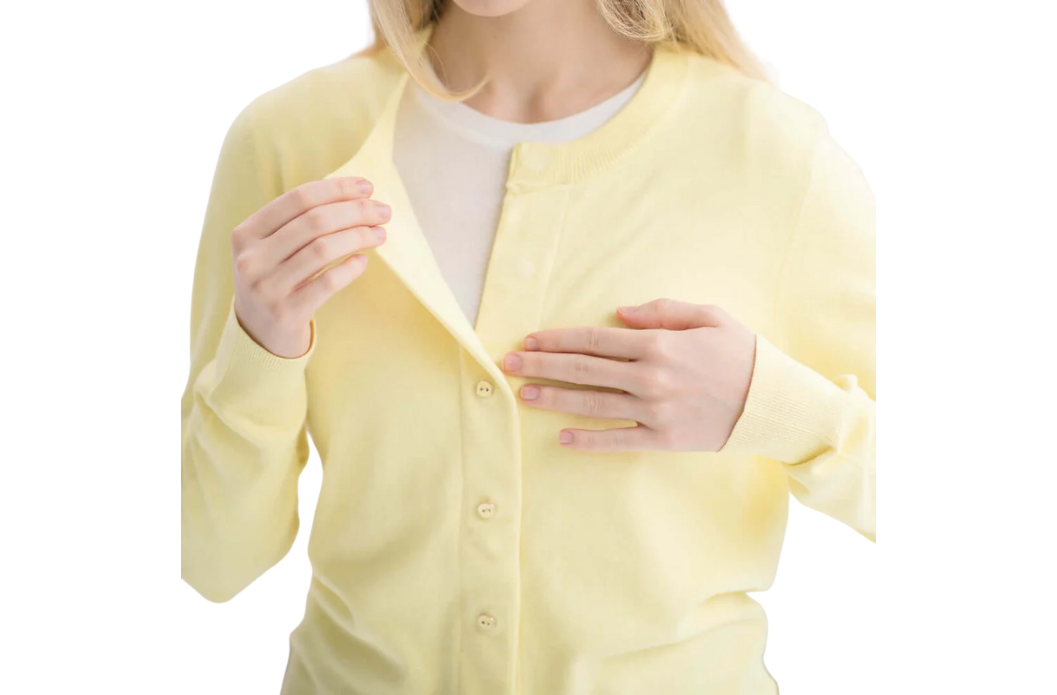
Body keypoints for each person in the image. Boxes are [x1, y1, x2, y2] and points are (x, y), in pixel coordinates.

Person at [180, 0, 876, 692]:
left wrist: (771, 407)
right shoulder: (286, 141)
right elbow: (213, 559)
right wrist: (259, 349)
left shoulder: (771, 155)